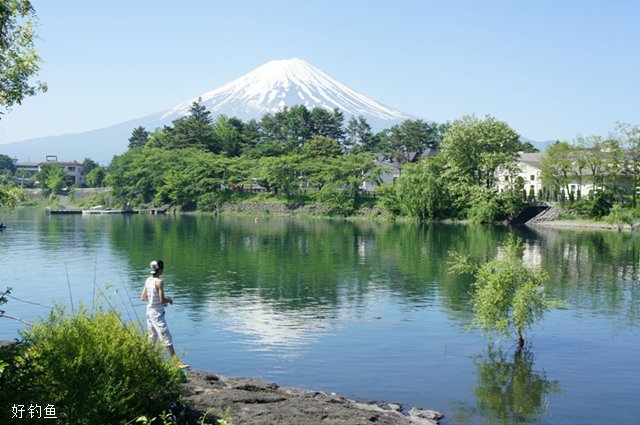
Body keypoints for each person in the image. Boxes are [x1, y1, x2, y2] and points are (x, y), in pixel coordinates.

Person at [141, 259, 188, 368]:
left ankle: (149, 361)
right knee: (166, 336)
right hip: (157, 314)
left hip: (149, 311)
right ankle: (177, 363)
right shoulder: (159, 281)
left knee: (152, 337)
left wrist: (155, 300)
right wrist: (169, 300)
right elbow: (162, 300)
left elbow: (143, 297)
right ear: (160, 269)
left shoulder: (147, 280)